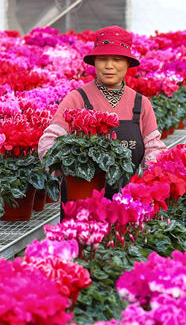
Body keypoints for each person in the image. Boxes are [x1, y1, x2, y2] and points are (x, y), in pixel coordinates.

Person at [38, 25, 167, 206]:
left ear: (128, 63)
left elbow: (154, 148)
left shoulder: (141, 104)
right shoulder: (77, 99)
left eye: (117, 59)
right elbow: (49, 141)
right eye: (103, 59)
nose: (109, 66)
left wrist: (149, 178)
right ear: (94, 61)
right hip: (81, 200)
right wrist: (67, 169)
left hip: (127, 201)